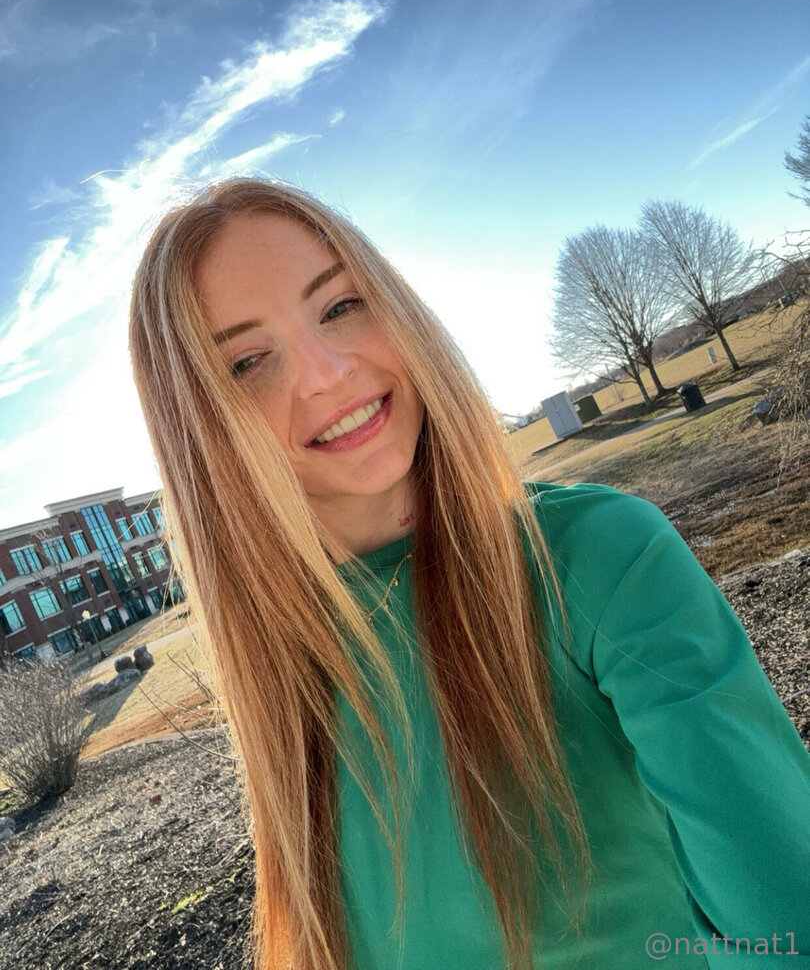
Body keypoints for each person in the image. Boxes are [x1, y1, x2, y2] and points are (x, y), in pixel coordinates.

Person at [128, 177, 810, 970]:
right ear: (201, 430)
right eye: (248, 361)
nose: (324, 372)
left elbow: (784, 930)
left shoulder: (596, 558)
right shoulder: (282, 666)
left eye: (341, 306)